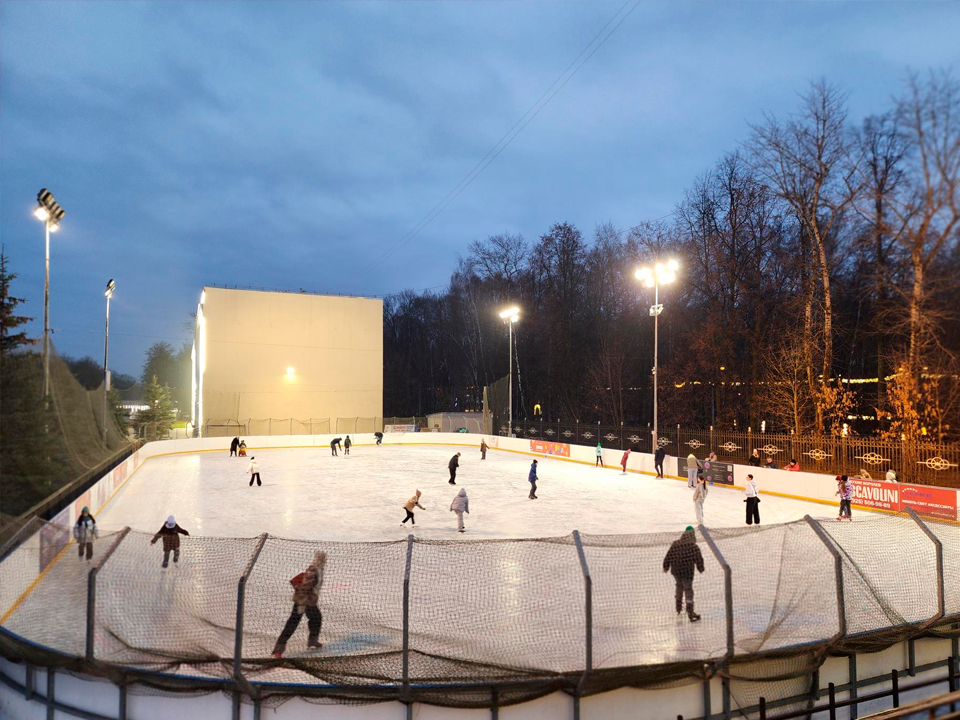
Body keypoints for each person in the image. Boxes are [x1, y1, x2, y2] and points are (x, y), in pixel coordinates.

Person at [272, 551, 326, 658]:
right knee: (293, 623)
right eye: (323, 558)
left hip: (310, 601)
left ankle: (313, 641)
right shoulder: (313, 570)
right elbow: (304, 588)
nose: (325, 560)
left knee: (316, 618)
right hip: (303, 601)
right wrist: (301, 604)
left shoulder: (319, 569)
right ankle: (279, 649)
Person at [662, 526, 704, 622]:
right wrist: (700, 568)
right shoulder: (693, 547)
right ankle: (690, 611)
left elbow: (669, 555)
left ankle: (678, 607)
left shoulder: (676, 544)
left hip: (676, 571)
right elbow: (699, 559)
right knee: (688, 589)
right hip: (687, 572)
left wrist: (666, 566)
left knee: (679, 586)